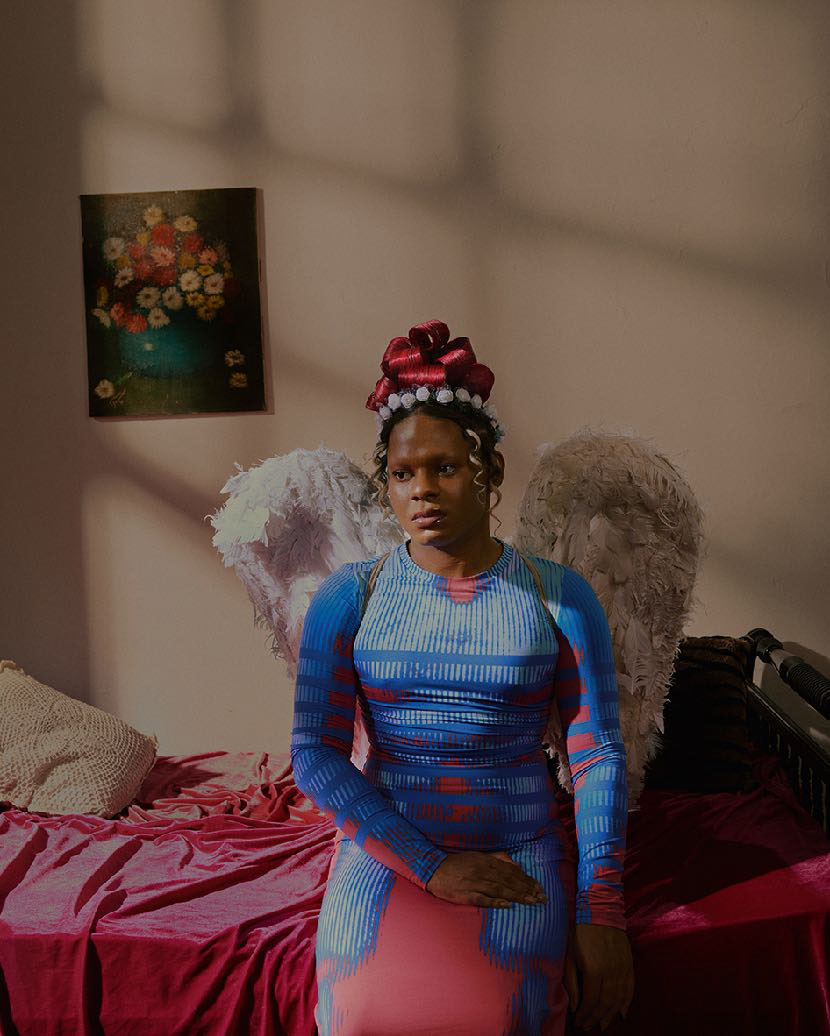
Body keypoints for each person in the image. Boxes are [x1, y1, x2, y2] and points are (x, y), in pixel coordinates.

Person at [290, 319, 634, 1034]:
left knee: (503, 1014)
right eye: (402, 474)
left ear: (491, 470)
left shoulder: (559, 596)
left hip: (518, 849)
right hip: (390, 852)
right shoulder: (349, 597)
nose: (422, 490)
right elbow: (316, 754)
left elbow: (596, 754)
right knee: (360, 1012)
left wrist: (600, 910)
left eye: (445, 467)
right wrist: (430, 865)